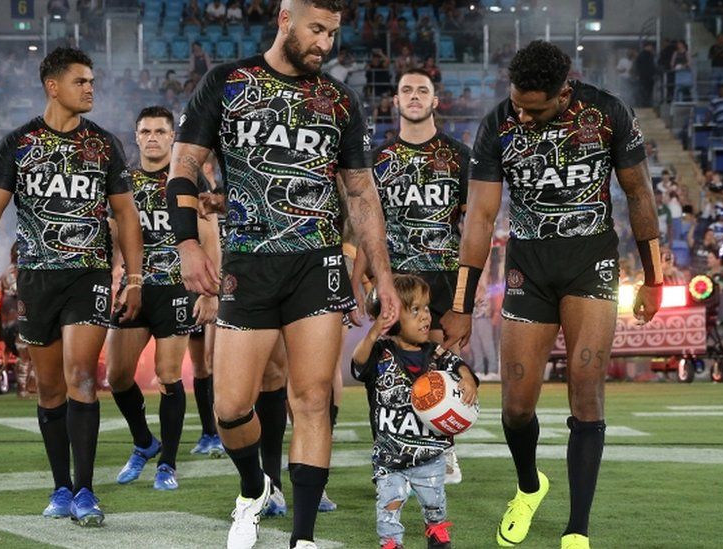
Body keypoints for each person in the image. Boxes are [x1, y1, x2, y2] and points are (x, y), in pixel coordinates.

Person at [165, 1, 399, 547]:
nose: (326, 44)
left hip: (317, 264)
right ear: (284, 19)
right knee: (229, 408)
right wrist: (186, 246)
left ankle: (304, 537)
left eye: (333, 34)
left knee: (314, 398)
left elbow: (362, 194)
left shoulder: (340, 99)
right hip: (246, 265)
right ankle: (254, 487)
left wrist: (382, 275)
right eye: (316, 30)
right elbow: (182, 166)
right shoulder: (226, 82)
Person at [440, 41, 661, 549]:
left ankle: (576, 528)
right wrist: (460, 306)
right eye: (516, 101)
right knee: (516, 408)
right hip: (529, 269)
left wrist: (655, 278)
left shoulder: (607, 113)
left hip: (591, 264)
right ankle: (529, 485)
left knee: (586, 388)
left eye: (533, 107)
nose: (522, 112)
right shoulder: (498, 124)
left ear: (564, 91)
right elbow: (479, 216)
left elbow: (639, 194)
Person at [0, 47, 143, 526]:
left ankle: (86, 491)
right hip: (38, 280)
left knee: (82, 376)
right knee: (48, 389)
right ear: (53, 86)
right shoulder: (17, 144)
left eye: (91, 81)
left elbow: (125, 214)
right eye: (81, 81)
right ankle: (61, 486)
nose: (90, 88)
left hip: (89, 276)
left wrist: (135, 277)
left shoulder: (105, 145)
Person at [361, 67, 470, 484]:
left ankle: (444, 453)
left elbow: (472, 228)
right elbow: (367, 227)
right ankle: (387, 454)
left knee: (439, 370)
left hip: (444, 277)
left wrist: (466, 298)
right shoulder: (379, 159)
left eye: (422, 90)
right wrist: (363, 279)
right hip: (397, 281)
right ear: (396, 101)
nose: (413, 95)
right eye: (406, 89)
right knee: (385, 372)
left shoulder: (459, 156)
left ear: (435, 100)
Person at [107, 106, 217, 491]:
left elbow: (210, 237)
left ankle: (167, 463)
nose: (152, 137)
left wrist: (210, 291)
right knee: (116, 376)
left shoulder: (189, 181)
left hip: (177, 288)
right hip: (134, 290)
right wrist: (114, 276)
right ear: (136, 137)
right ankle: (143, 442)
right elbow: (114, 235)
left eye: (160, 131)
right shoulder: (122, 182)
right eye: (145, 131)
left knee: (169, 377)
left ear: (173, 138)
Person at [351, 274, 477, 549]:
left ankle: (436, 530)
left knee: (434, 501)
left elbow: (457, 364)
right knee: (389, 503)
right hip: (389, 456)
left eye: (427, 308)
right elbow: (357, 364)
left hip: (429, 453)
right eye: (415, 310)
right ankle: (391, 543)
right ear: (393, 317)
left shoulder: (435, 353)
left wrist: (466, 378)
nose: (425, 317)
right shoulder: (379, 353)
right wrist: (374, 332)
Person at [0, 242, 35, 398]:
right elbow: (20, 290)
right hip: (14, 320)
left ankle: (30, 386)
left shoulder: (23, 270)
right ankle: (22, 390)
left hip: (22, 318)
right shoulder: (11, 272)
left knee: (31, 354)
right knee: (24, 353)